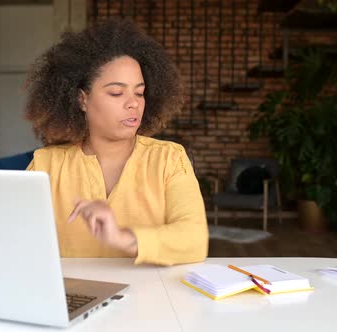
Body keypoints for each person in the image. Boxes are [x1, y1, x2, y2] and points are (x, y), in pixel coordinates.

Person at [25, 19, 208, 266]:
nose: (133, 103)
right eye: (116, 93)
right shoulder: (46, 166)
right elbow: (13, 238)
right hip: (71, 297)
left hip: (153, 298)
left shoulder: (169, 159)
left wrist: (124, 239)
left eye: (139, 92)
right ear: (82, 100)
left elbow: (195, 239)